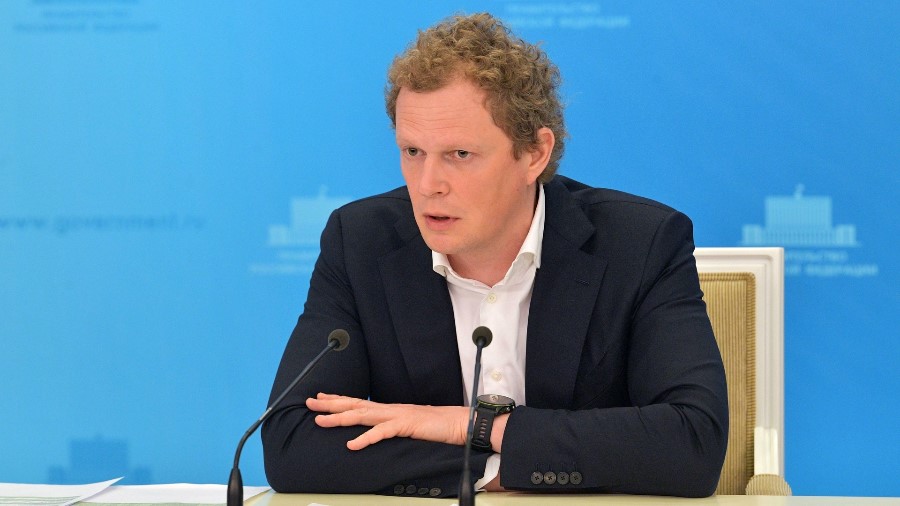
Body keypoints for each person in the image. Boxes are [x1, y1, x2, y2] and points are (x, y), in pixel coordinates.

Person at [262, 12, 728, 498]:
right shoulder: (360, 242)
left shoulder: (640, 244)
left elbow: (693, 443)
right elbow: (293, 444)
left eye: (460, 155)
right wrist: (492, 469)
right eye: (413, 152)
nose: (428, 185)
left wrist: (471, 426)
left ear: (534, 154)